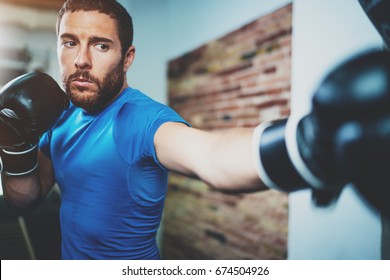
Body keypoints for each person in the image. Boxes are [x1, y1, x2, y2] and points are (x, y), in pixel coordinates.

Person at [0, 0, 389, 259]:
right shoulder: (59, 114)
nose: (81, 60)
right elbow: (25, 200)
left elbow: (212, 156)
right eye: (70, 43)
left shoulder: (139, 119)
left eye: (101, 46)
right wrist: (13, 143)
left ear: (127, 57)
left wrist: (306, 145)